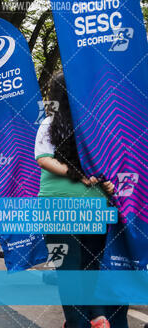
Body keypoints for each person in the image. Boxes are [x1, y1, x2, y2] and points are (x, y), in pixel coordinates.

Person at [35, 72, 127, 328]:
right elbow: (43, 158)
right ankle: (78, 322)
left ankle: (95, 319)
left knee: (91, 266)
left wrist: (108, 182)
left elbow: (107, 166)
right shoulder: (49, 123)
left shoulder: (97, 125)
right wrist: (77, 174)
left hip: (97, 207)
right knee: (69, 271)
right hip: (58, 207)